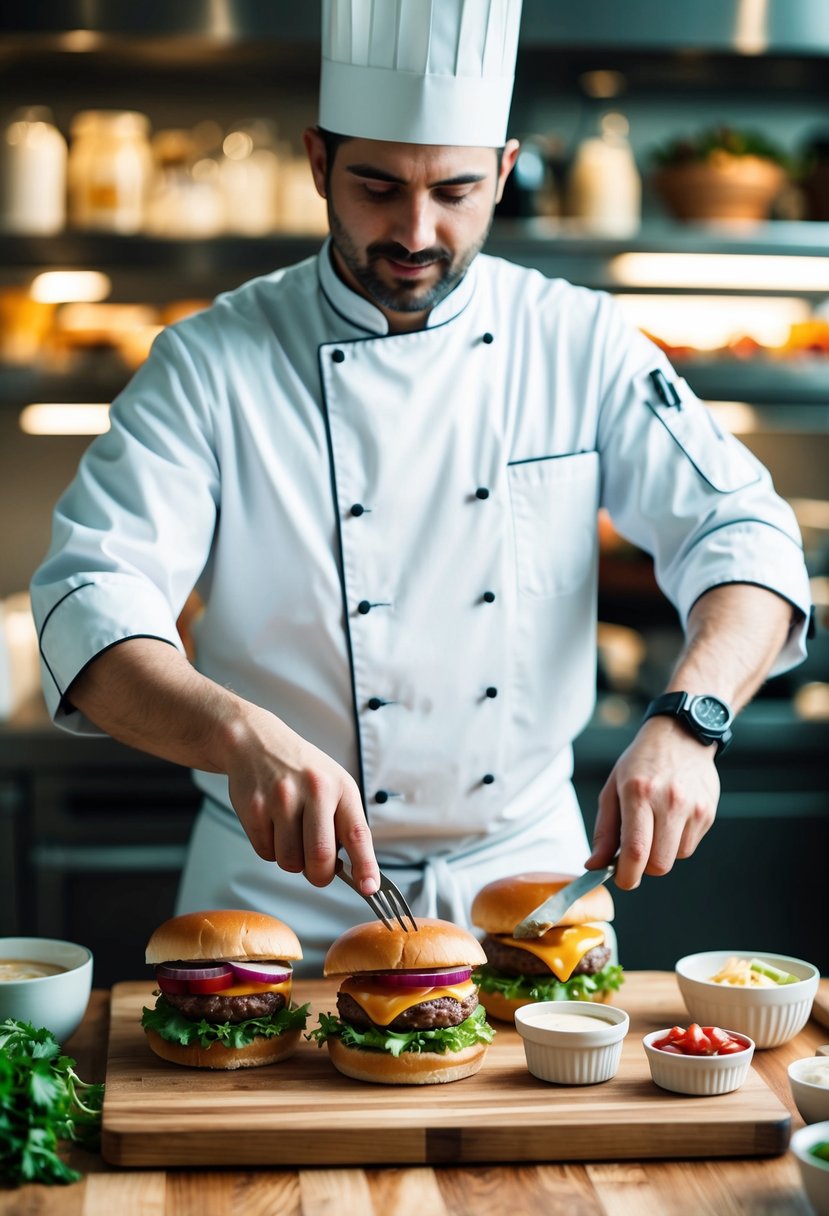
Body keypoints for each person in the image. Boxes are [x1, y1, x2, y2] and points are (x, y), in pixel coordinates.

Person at [31, 0, 811, 974]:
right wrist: (238, 737)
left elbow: (745, 536)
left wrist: (690, 718)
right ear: (318, 160)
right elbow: (88, 604)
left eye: (455, 189)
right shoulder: (209, 363)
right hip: (279, 898)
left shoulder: (579, 342)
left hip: (532, 888)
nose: (415, 229)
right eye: (375, 185)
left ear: (504, 167)